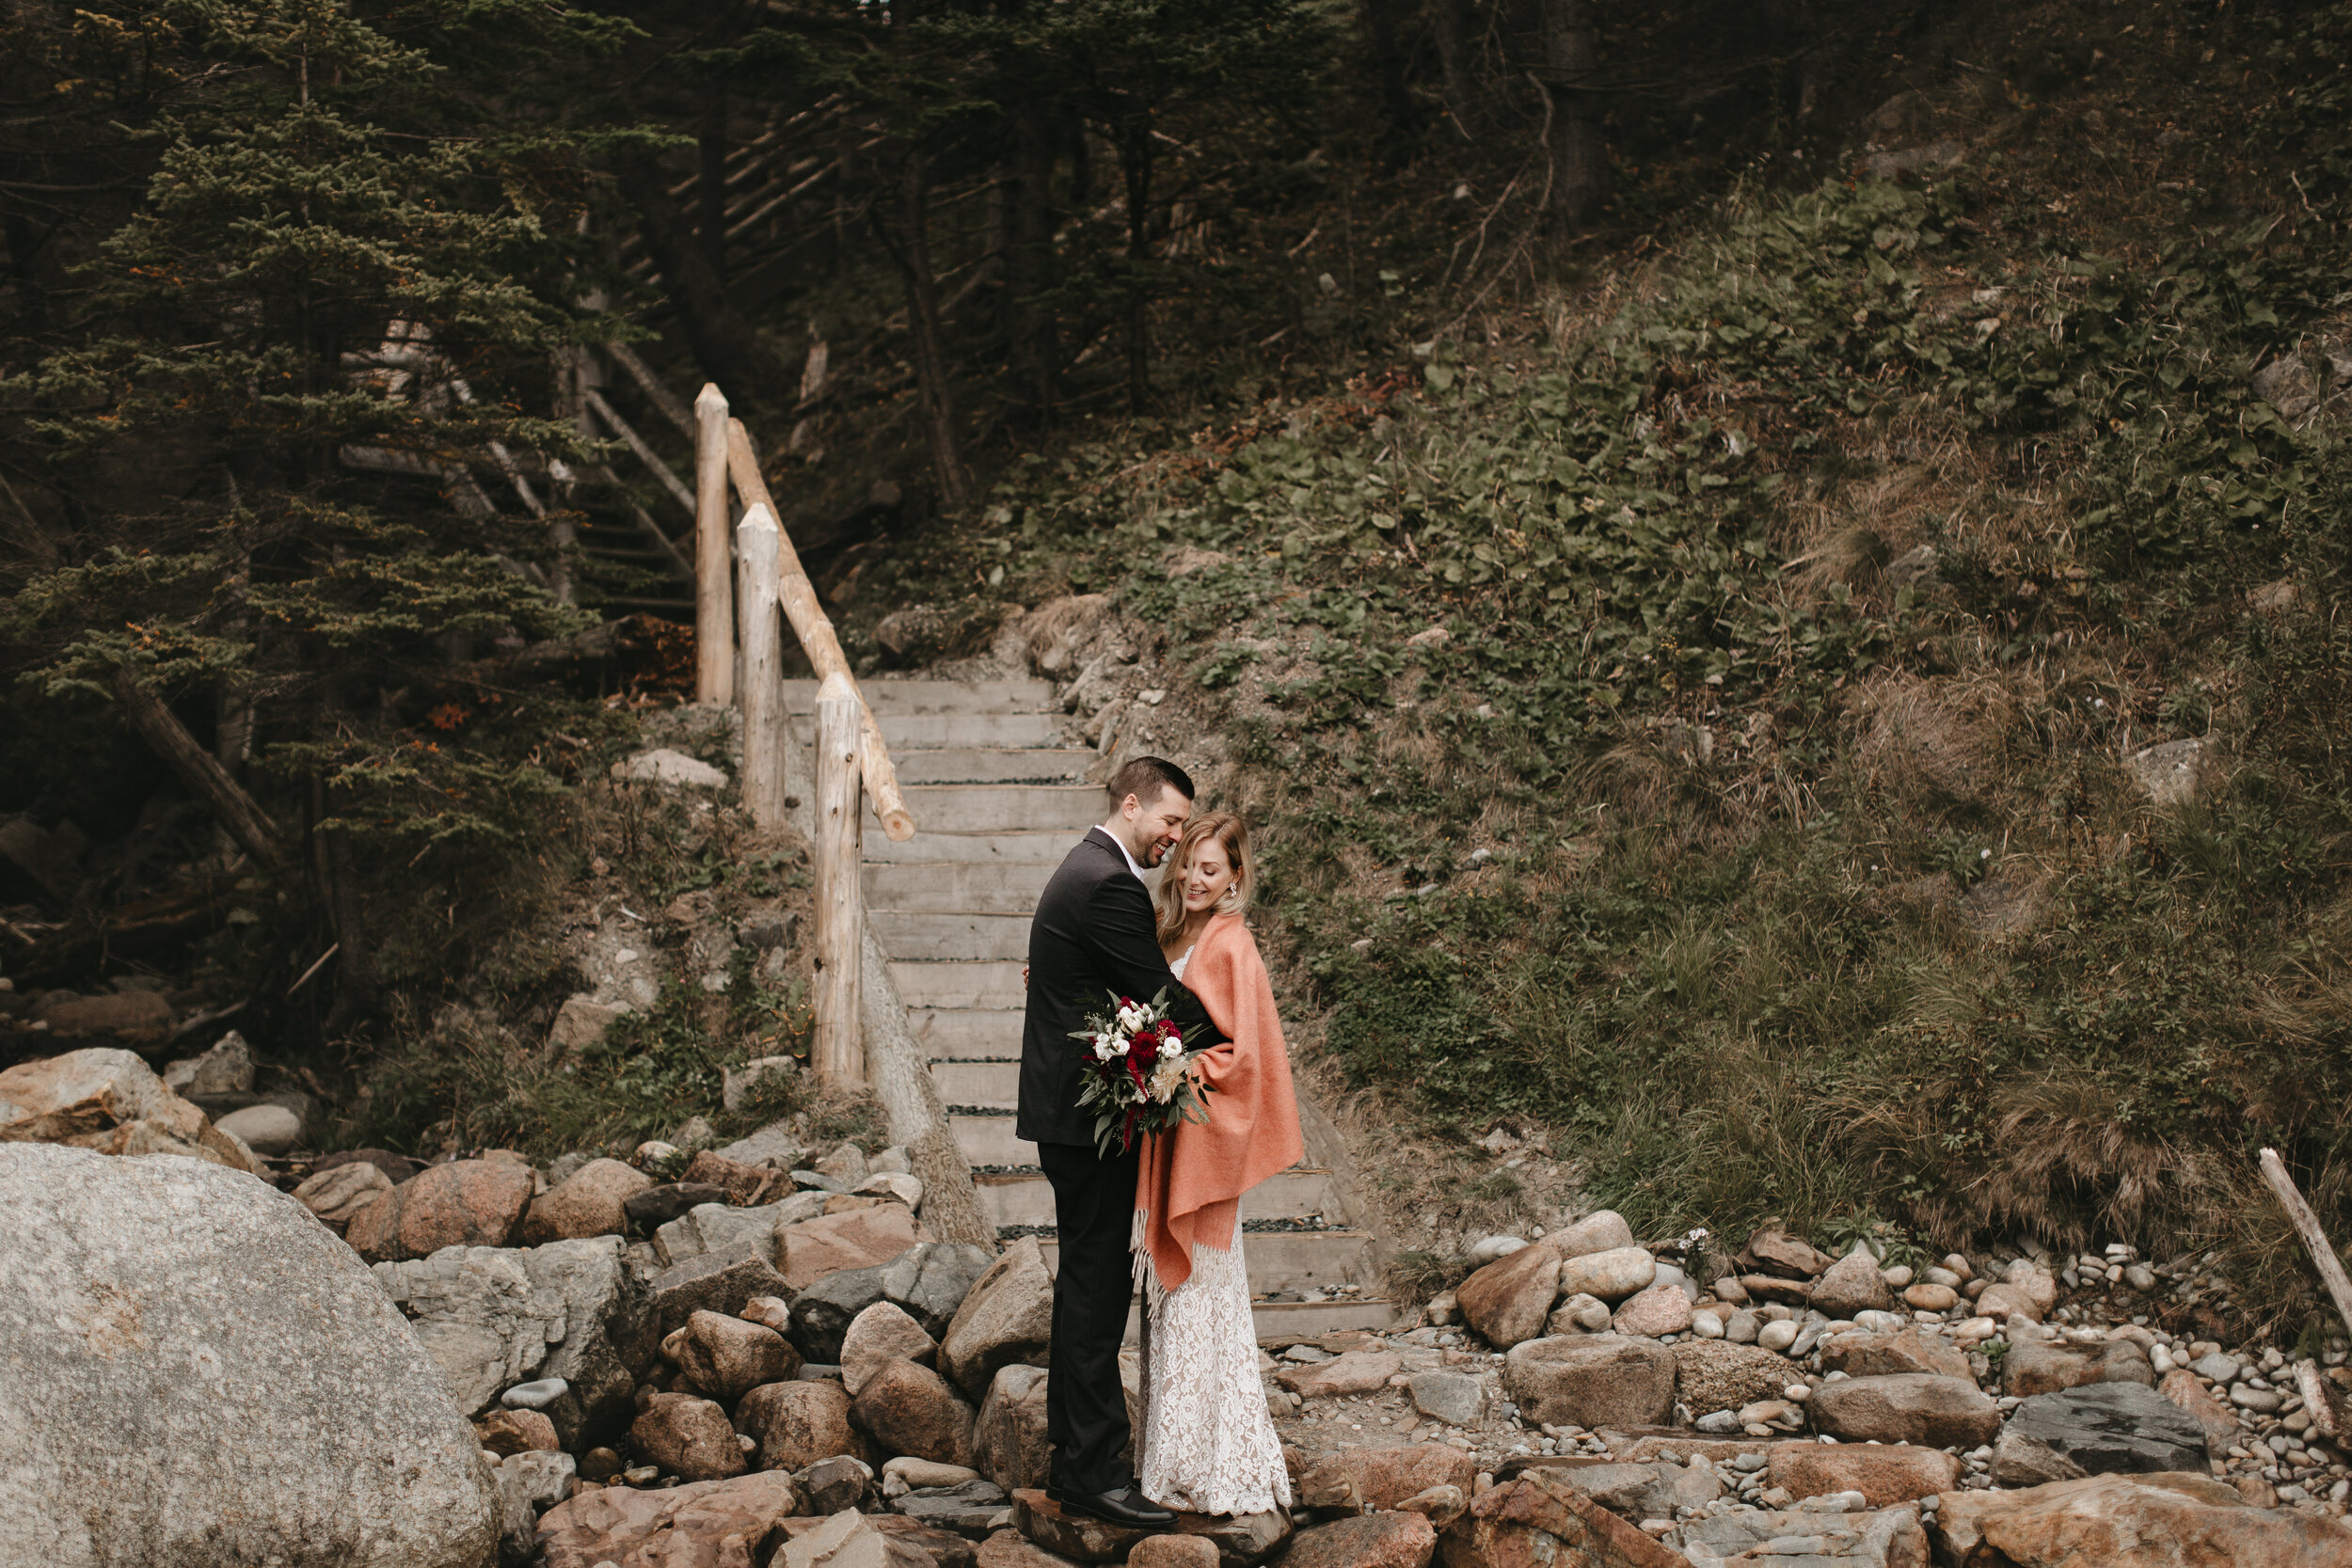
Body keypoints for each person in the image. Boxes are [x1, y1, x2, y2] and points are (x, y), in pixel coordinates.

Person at [1018, 755, 1223, 1529]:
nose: (1175, 836)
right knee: (1098, 1293)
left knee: (1083, 1285)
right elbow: (1156, 994)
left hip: (1066, 1114)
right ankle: (1098, 1475)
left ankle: (1073, 1461)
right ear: (1130, 803)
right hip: (1085, 1119)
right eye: (1169, 820)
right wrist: (1238, 1042)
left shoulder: (1084, 866)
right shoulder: (1107, 883)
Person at [1132, 812, 1302, 1516]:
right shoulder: (1170, 933)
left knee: (1203, 1297)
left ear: (1235, 875)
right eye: (1188, 865)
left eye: (1210, 868)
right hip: (1164, 1135)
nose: (1194, 879)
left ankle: (1218, 1460)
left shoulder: (1235, 945)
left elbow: (1248, 1055)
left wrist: (1177, 1065)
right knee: (1169, 1309)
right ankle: (1171, 1454)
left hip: (1202, 1141)